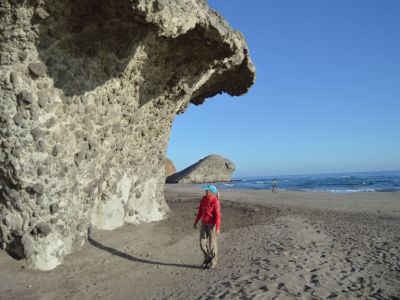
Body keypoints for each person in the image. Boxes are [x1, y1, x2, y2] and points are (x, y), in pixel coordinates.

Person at [193, 185, 221, 269]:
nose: (205, 192)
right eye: (205, 190)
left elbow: (218, 215)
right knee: (202, 244)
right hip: (204, 223)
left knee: (212, 245)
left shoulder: (215, 201)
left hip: (212, 224)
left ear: (211, 192)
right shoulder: (203, 199)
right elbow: (200, 212)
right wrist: (196, 222)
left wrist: (218, 228)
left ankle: (213, 263)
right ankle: (207, 258)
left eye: (207, 191)